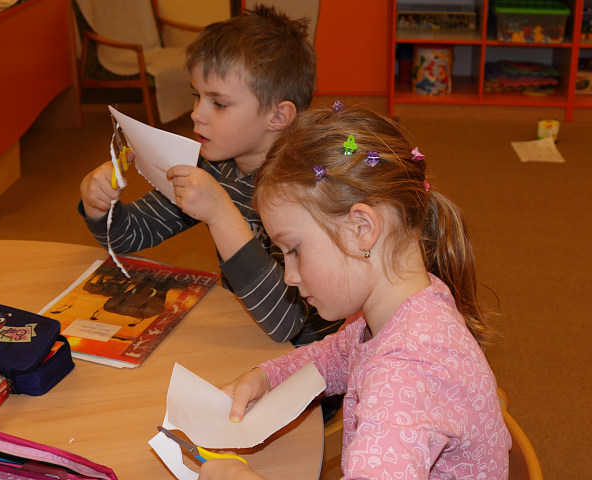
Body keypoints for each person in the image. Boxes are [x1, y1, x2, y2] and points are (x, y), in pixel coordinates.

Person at [198, 106, 512, 480]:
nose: (289, 277)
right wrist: (267, 378)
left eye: (294, 249)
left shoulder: (409, 369)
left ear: (363, 228)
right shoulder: (402, 306)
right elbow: (335, 356)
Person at [78, 6, 346, 350]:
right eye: (197, 96)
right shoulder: (213, 166)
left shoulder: (307, 189)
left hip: (314, 357)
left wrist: (220, 214)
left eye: (218, 103)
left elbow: (286, 323)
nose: (196, 114)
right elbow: (131, 234)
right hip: (250, 330)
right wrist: (99, 206)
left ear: (278, 116)